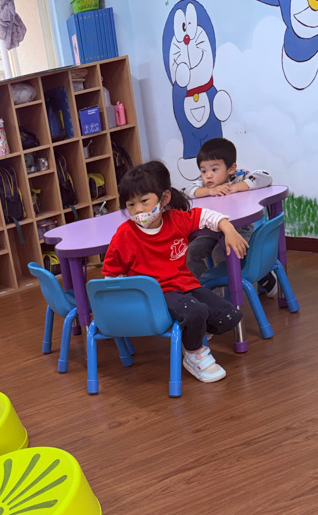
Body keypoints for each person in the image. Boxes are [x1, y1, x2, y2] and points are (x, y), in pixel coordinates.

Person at [103, 160, 247, 383]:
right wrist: (131, 304)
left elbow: (206, 216)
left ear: (164, 199)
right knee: (195, 311)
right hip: (156, 294)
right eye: (131, 205)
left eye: (144, 201)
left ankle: (194, 331)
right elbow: (111, 276)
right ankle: (194, 354)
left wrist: (228, 228)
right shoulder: (124, 235)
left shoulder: (176, 219)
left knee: (229, 315)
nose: (138, 210)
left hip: (184, 285)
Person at [184, 137, 277, 295]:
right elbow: (185, 191)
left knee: (220, 253)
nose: (208, 176)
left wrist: (235, 188)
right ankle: (207, 291)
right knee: (190, 252)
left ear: (231, 168)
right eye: (203, 171)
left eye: (214, 170)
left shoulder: (238, 178)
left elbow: (265, 176)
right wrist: (209, 191)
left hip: (240, 230)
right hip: (212, 232)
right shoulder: (203, 185)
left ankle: (233, 293)